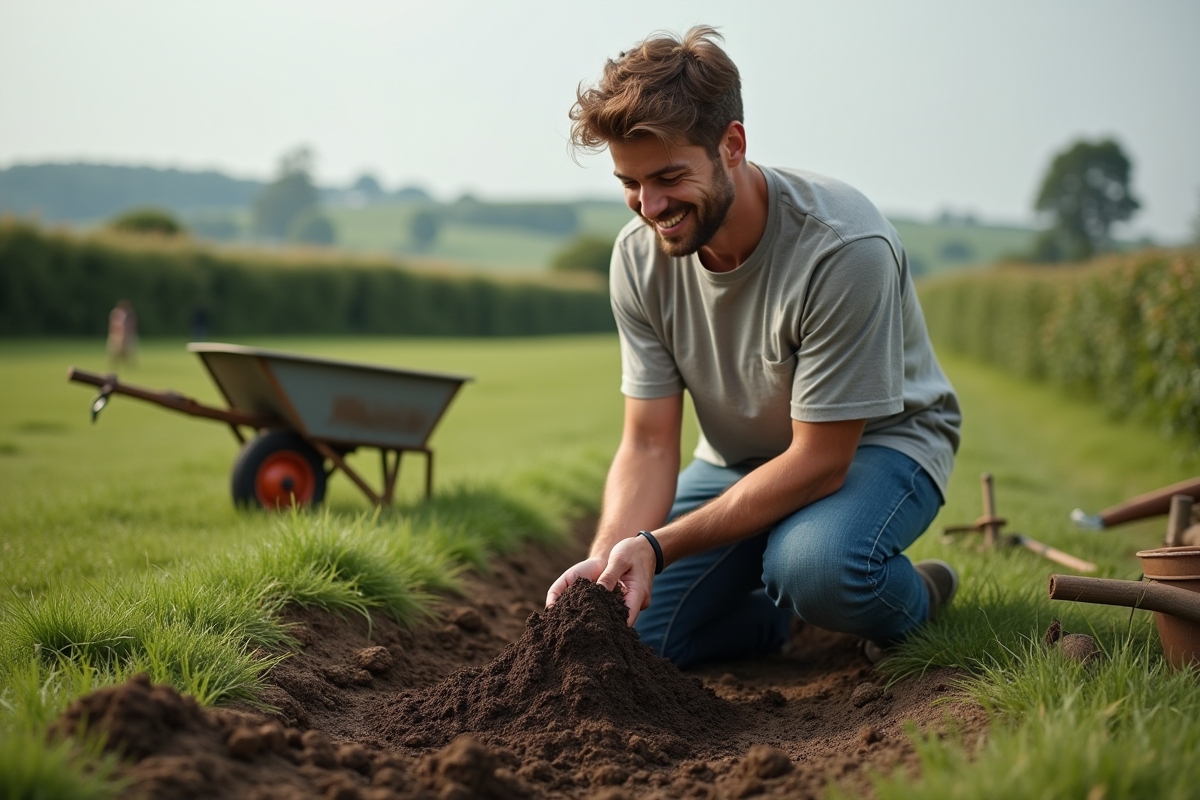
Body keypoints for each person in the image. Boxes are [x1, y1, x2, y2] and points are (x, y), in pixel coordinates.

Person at [545, 26, 963, 668]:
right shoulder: (637, 260)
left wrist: (657, 546)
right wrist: (609, 559)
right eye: (630, 183)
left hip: (876, 446)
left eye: (668, 177)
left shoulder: (843, 249)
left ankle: (920, 596)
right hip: (738, 457)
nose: (649, 206)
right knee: (630, 634)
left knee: (816, 567)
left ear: (731, 145)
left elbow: (821, 460)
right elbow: (651, 441)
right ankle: (773, 621)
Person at [107, 299, 138, 367]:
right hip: (116, 334)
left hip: (127, 335)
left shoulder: (129, 314)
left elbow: (132, 324)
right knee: (115, 351)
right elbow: (112, 324)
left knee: (127, 351)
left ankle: (129, 365)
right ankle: (115, 364)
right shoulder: (116, 313)